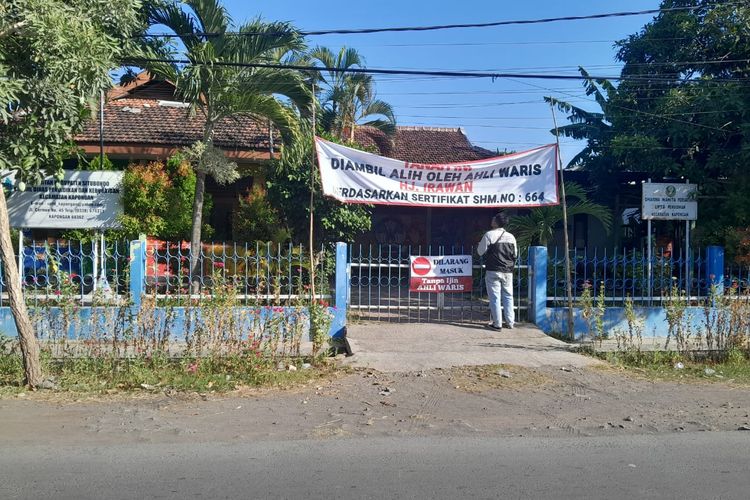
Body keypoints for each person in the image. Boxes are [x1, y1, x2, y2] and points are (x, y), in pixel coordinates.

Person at [477, 212, 517, 330]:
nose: (492, 220)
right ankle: (510, 322)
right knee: (508, 296)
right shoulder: (511, 237)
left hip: (493, 270)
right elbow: (515, 254)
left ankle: (497, 323)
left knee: (495, 297)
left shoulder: (489, 235)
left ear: (496, 222)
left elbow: (480, 251)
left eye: (493, 219)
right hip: (508, 270)